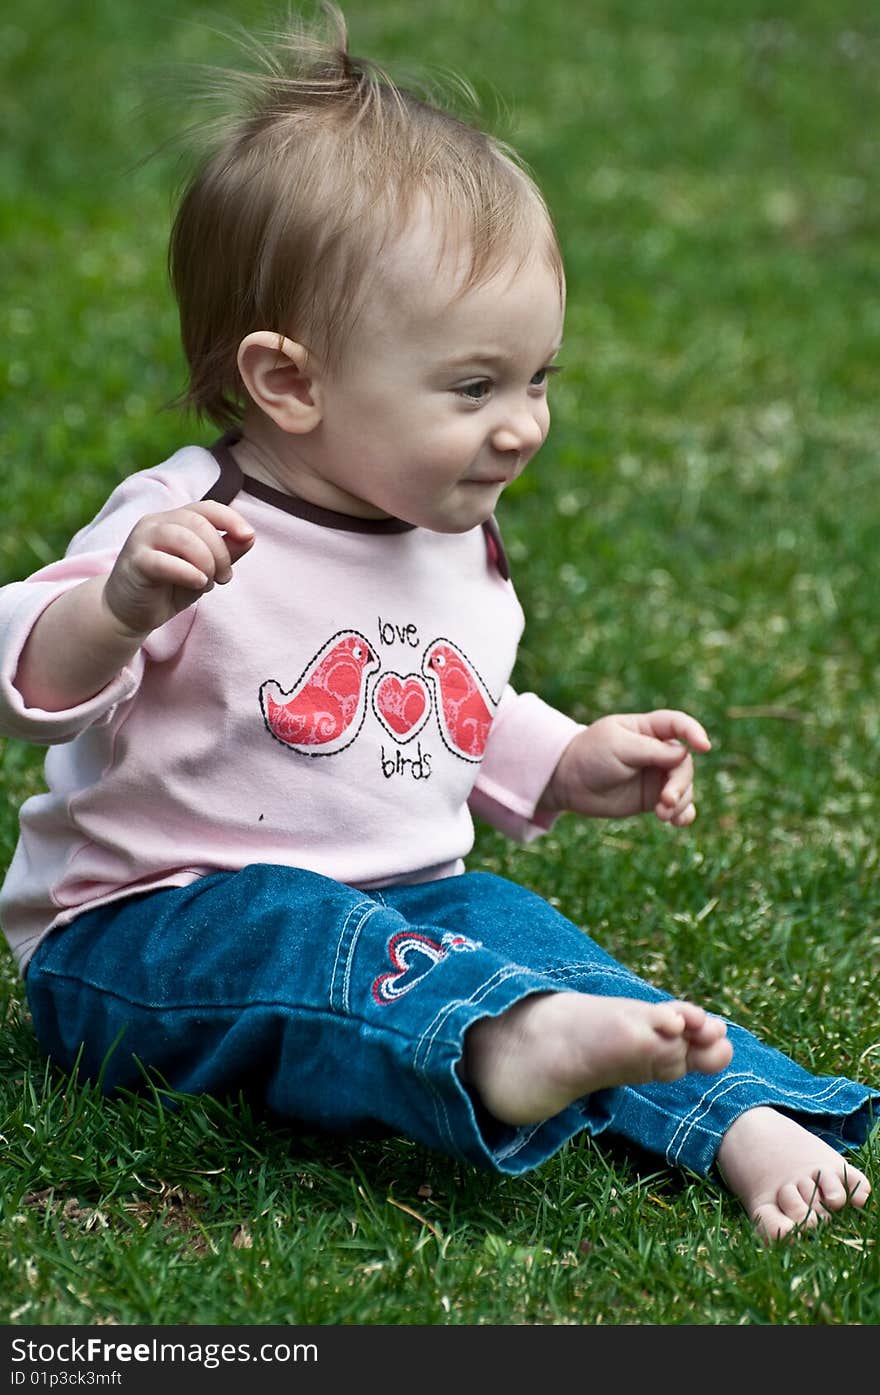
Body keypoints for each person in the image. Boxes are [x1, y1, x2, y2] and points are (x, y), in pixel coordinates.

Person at [0, 3, 875, 1244]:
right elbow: (25, 675)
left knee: (530, 937)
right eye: (474, 387)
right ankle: (503, 1043)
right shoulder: (189, 520)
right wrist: (119, 605)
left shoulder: (452, 536)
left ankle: (737, 1115)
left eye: (536, 380)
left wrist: (565, 759)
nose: (521, 425)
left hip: (413, 901)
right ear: (290, 383)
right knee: (303, 936)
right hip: (150, 932)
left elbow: (456, 699)